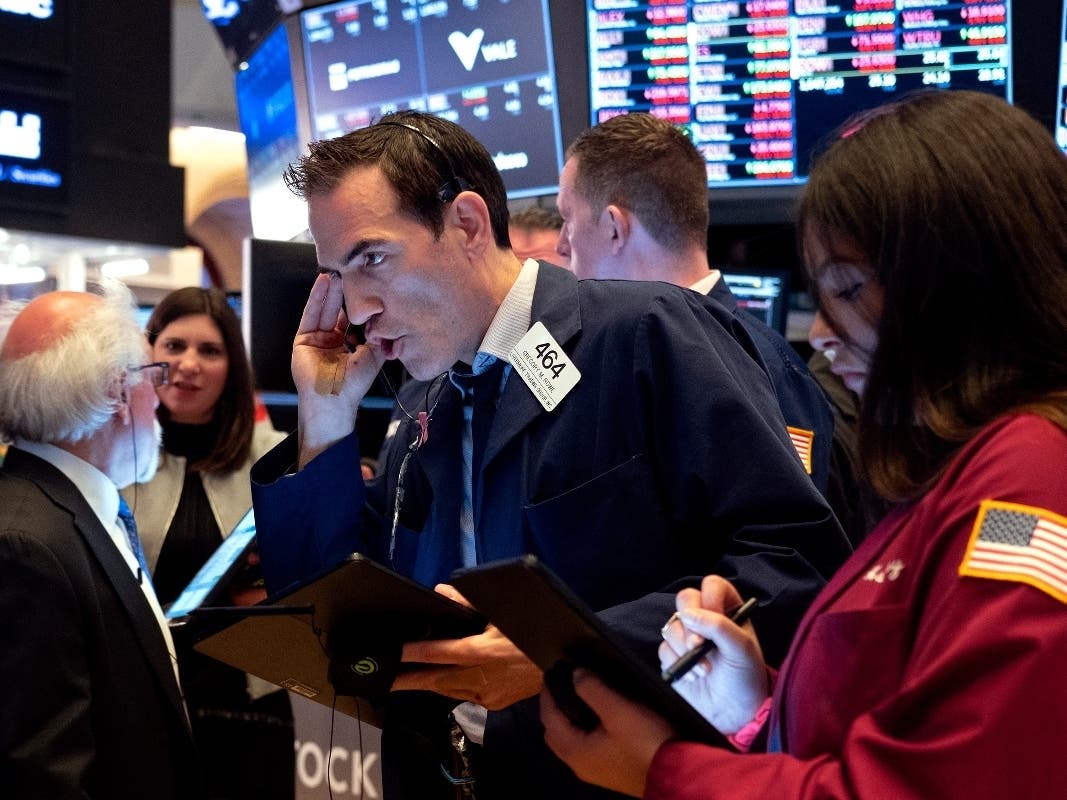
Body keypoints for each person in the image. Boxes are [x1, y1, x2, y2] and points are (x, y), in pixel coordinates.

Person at [249, 109, 850, 800]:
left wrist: (561, 652)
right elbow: (324, 621)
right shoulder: (426, 402)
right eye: (336, 274)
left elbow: (793, 564)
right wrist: (327, 413)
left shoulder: (642, 332)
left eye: (372, 259)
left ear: (469, 224)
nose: (354, 310)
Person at [538, 89, 1067, 799]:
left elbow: (940, 784)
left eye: (847, 289)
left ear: (960, 283)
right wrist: (759, 703)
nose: (821, 332)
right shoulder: (961, 472)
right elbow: (893, 703)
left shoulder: (1025, 483)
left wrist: (666, 771)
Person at [556, 112, 835, 498]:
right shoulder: (623, 350)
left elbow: (783, 547)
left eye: (567, 218)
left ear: (614, 227)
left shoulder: (765, 370)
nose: (561, 245)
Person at [0, 285, 202, 798]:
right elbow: (46, 775)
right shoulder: (27, 545)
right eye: (152, 374)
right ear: (117, 390)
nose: (158, 397)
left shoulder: (64, 509)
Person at [121, 286, 290, 800]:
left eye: (209, 351)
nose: (188, 364)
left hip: (248, 697)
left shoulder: (277, 459)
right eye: (174, 346)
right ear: (149, 354)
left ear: (232, 368)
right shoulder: (112, 452)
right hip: (139, 693)